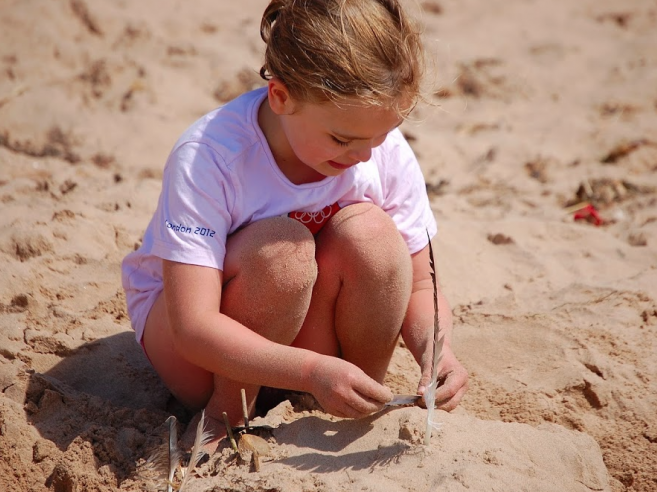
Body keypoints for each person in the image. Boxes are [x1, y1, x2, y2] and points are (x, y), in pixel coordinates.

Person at [121, 0, 468, 450]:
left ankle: (355, 397)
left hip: (316, 352)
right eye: (342, 139)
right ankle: (225, 417)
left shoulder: (378, 149)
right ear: (281, 97)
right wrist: (309, 370)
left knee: (374, 238)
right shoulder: (212, 156)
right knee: (283, 249)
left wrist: (434, 353)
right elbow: (193, 325)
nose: (364, 156)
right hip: (203, 353)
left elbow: (421, 285)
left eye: (381, 136)